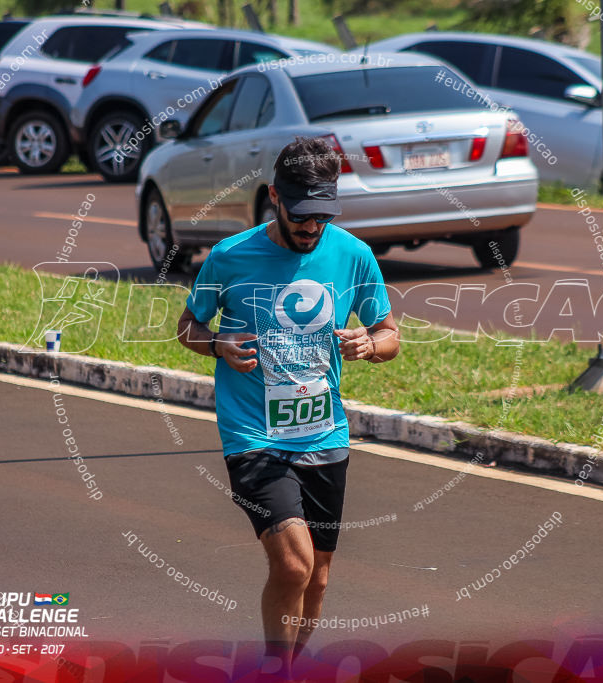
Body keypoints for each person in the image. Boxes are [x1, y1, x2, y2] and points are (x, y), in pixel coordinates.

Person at [176, 136, 400, 673]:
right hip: (253, 436)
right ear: (274, 196)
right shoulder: (231, 256)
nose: (311, 227)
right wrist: (216, 345)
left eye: (322, 215)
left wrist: (372, 345)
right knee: (295, 566)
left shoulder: (352, 255)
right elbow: (189, 326)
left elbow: (389, 333)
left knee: (318, 577)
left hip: (324, 433)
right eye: (301, 215)